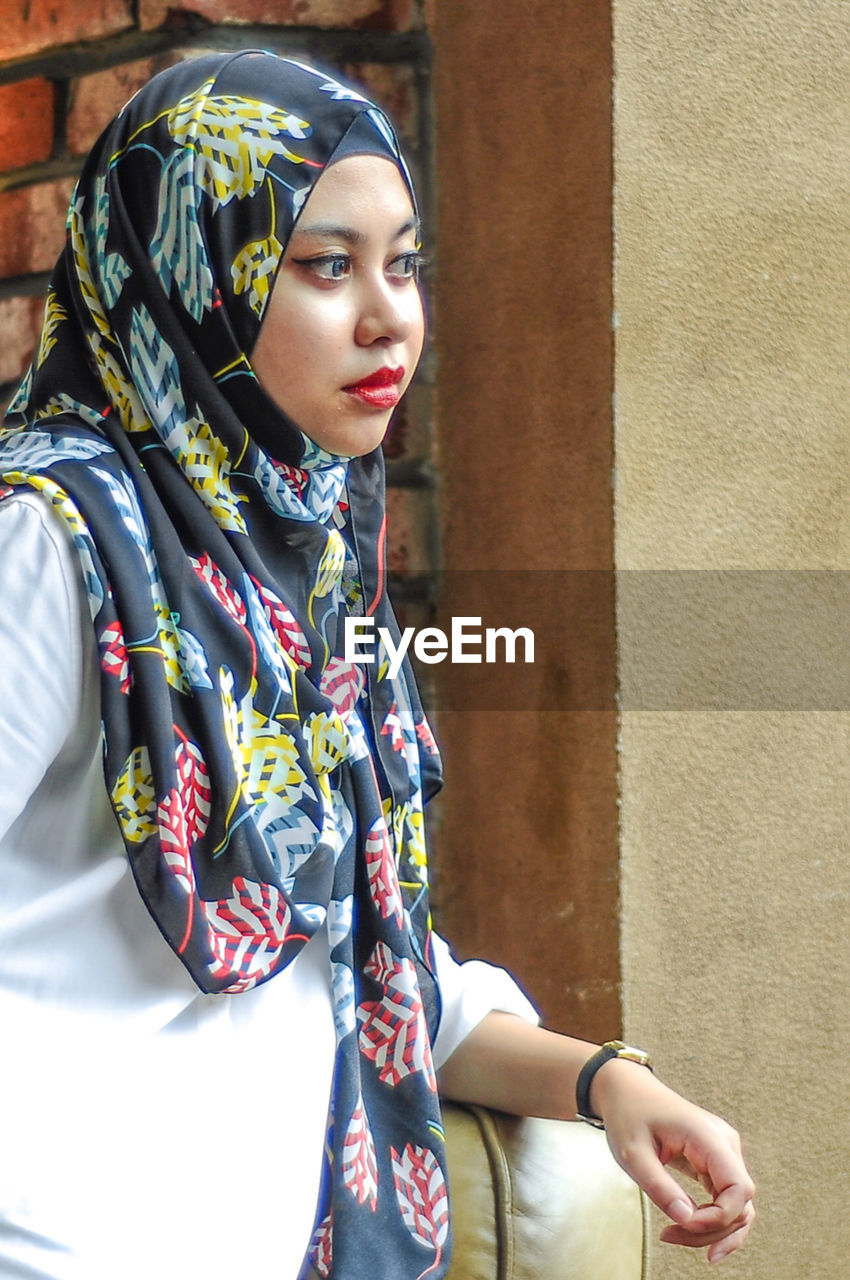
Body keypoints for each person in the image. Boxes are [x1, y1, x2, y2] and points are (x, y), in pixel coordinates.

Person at [0, 50, 754, 1280]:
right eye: (324, 265)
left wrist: (609, 1080)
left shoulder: (309, 563)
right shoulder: (48, 534)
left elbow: (366, 963)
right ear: (194, 273)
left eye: (402, 263)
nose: (387, 314)